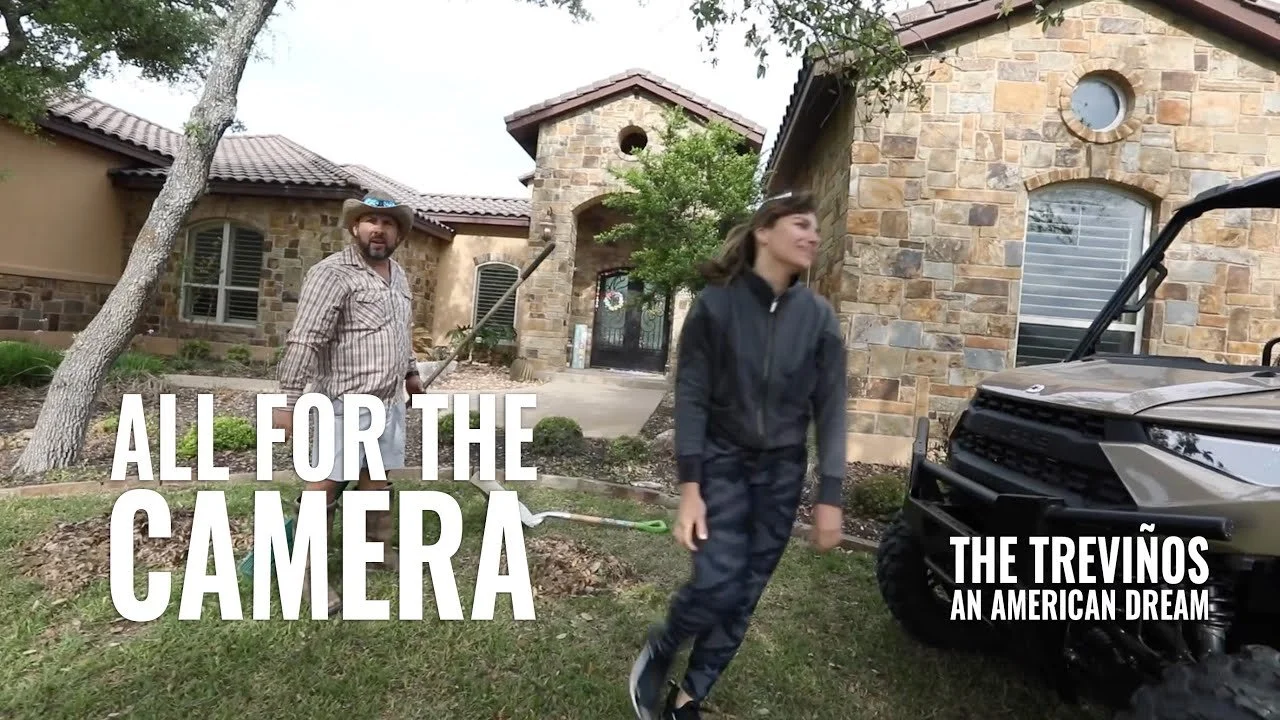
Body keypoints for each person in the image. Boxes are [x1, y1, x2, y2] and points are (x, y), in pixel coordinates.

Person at [628, 190, 848, 720]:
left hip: (782, 473)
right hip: (722, 462)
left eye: (816, 227)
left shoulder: (818, 318)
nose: (814, 236)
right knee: (717, 581)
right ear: (764, 232)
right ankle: (664, 644)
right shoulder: (716, 305)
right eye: (801, 224)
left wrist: (831, 494)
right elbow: (692, 397)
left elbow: (832, 408)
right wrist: (691, 489)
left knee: (745, 594)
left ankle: (689, 698)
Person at [272, 193, 425, 617]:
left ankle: (374, 550)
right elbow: (305, 339)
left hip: (388, 401)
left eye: (388, 223)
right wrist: (287, 402)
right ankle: (307, 573)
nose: (379, 229)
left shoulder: (398, 275)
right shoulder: (331, 273)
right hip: (343, 402)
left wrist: (411, 373)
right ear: (355, 227)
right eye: (370, 221)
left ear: (398, 233)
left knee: (376, 478)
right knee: (324, 485)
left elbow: (401, 332)